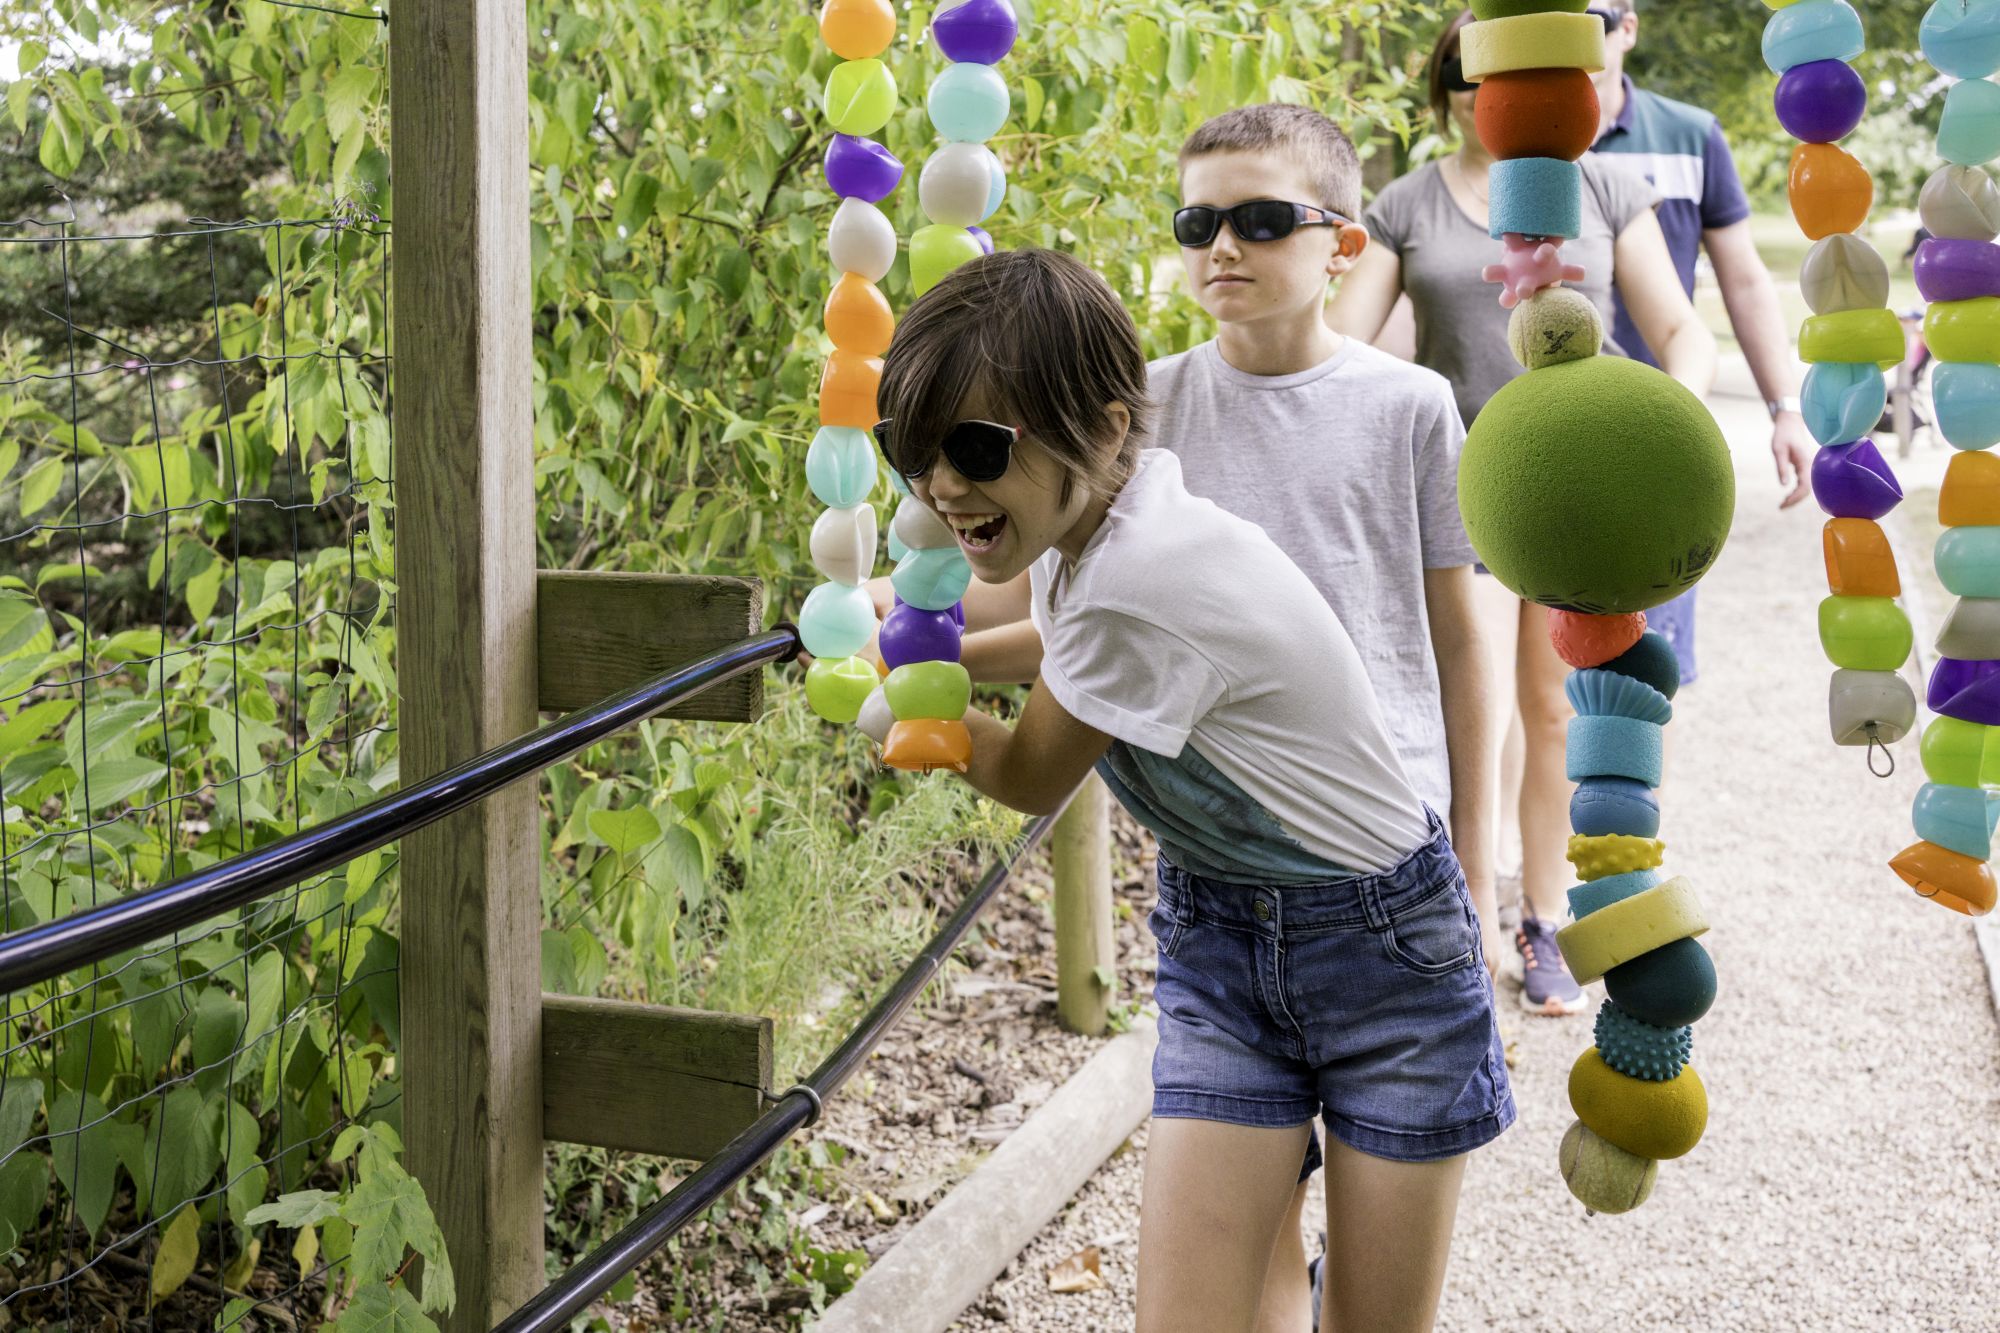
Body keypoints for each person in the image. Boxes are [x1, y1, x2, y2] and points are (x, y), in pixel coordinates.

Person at [874, 247, 1512, 1333]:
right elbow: (1065, 644)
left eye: (974, 447)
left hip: (1383, 957)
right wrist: (919, 651)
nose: (939, 485)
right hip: (1224, 938)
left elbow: (1031, 769)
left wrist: (910, 715)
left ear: (1109, 427)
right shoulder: (1115, 523)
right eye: (911, 449)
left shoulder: (1136, 575)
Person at [1325, 9, 1717, 1019]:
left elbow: (1676, 326)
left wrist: (1679, 423)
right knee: (1475, 718)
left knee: (1555, 712)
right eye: (1457, 72)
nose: (1474, 88)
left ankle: (1547, 914)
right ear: (1444, 88)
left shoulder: (1597, 183)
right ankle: (1471, 917)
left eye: (1492, 68)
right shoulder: (1408, 203)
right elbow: (1341, 348)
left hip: (1588, 494)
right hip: (1468, 492)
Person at [1588, 0, 1814, 690]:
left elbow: (1743, 280)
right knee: (1541, 675)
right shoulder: (1505, 134)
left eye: (1590, 16)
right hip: (1535, 421)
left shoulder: (1689, 134)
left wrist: (1784, 406)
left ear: (1628, 27)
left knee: (1641, 671)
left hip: (1657, 428)